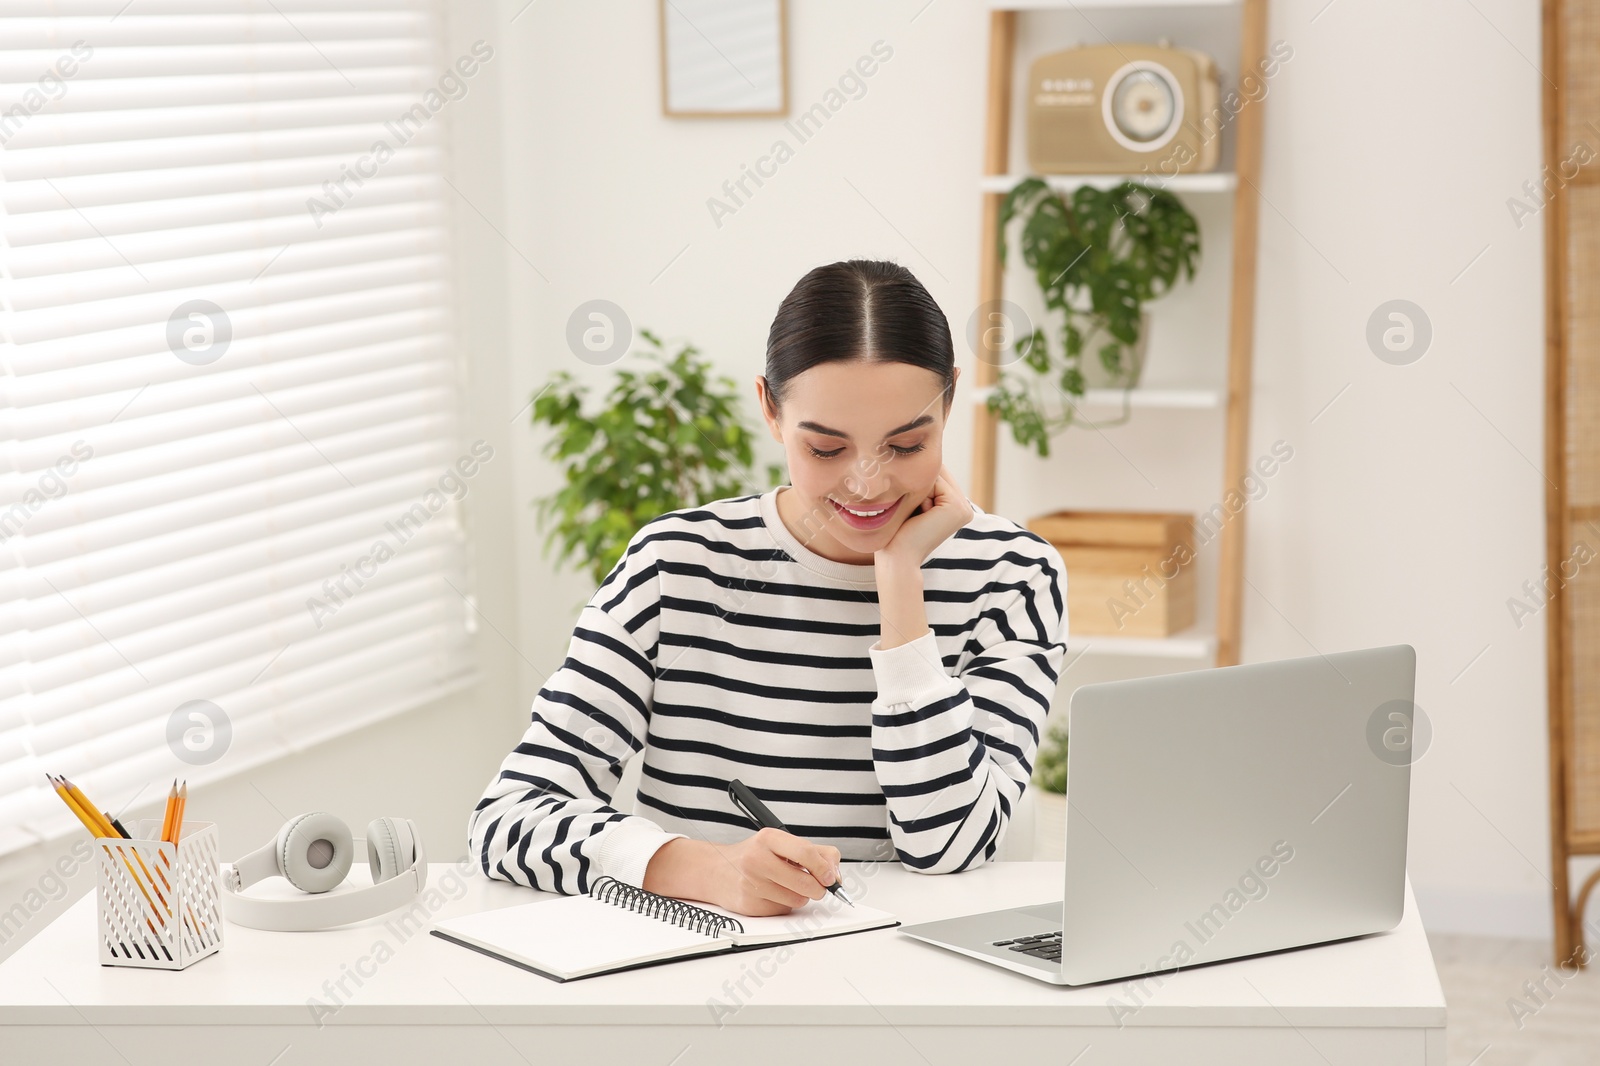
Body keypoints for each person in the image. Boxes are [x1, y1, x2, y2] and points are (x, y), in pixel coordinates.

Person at [468, 259, 1068, 917]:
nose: (867, 484)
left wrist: (900, 584)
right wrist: (696, 866)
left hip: (911, 980)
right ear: (770, 410)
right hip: (701, 971)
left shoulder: (1013, 576)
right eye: (827, 449)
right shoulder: (676, 564)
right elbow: (508, 817)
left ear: (949, 401)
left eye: (905, 445)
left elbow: (951, 841)